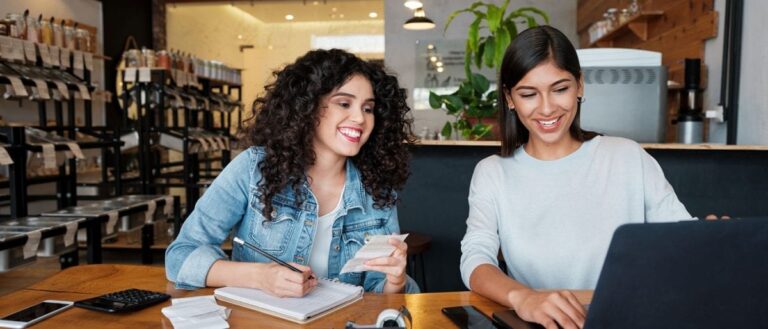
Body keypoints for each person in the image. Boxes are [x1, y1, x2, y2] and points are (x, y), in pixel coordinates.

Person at [459, 26, 692, 329]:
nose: (547, 108)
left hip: (622, 319)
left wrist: (712, 241)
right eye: (529, 94)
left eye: (560, 89)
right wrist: (524, 298)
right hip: (535, 323)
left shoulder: (627, 157)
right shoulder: (492, 173)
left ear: (580, 85)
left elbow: (683, 242)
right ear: (510, 99)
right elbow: (476, 259)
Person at [166, 48, 419, 297]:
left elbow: (379, 296)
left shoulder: (377, 190)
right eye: (344, 103)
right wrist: (261, 277)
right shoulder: (254, 169)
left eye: (368, 108)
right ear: (307, 106)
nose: (360, 118)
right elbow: (180, 256)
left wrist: (395, 282)